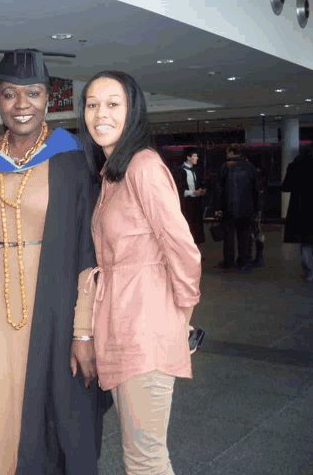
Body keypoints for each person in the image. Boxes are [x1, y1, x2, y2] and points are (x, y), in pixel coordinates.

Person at [0, 48, 111, 475]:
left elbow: (87, 248)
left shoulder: (71, 157)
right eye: (10, 94)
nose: (22, 104)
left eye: (34, 93)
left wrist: (83, 331)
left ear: (49, 99)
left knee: (52, 407)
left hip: (56, 305)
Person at [80, 70, 201, 475]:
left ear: (133, 111)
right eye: (92, 104)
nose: (100, 114)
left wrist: (180, 319)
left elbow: (183, 250)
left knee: (146, 459)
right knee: (139, 455)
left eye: (113, 104)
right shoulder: (114, 171)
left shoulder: (144, 166)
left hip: (145, 330)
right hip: (122, 323)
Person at [215, 144, 261, 270]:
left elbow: (219, 189)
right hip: (247, 208)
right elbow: (256, 189)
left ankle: (229, 262)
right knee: (245, 235)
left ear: (231, 152)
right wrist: (257, 208)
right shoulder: (250, 167)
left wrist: (218, 208)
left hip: (228, 208)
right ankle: (244, 261)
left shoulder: (224, 167)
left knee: (228, 236)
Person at [282, 140, 313, 282]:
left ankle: (310, 272)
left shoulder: (294, 165)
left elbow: (286, 187)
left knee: (306, 242)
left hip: (301, 209)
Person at [173, 147, 206, 258]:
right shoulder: (180, 171)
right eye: (195, 156)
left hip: (196, 204)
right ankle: (187, 254)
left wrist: (201, 191)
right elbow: (179, 190)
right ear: (188, 157)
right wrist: (193, 192)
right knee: (188, 228)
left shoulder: (196, 170)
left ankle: (197, 253)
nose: (197, 158)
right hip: (186, 204)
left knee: (197, 228)